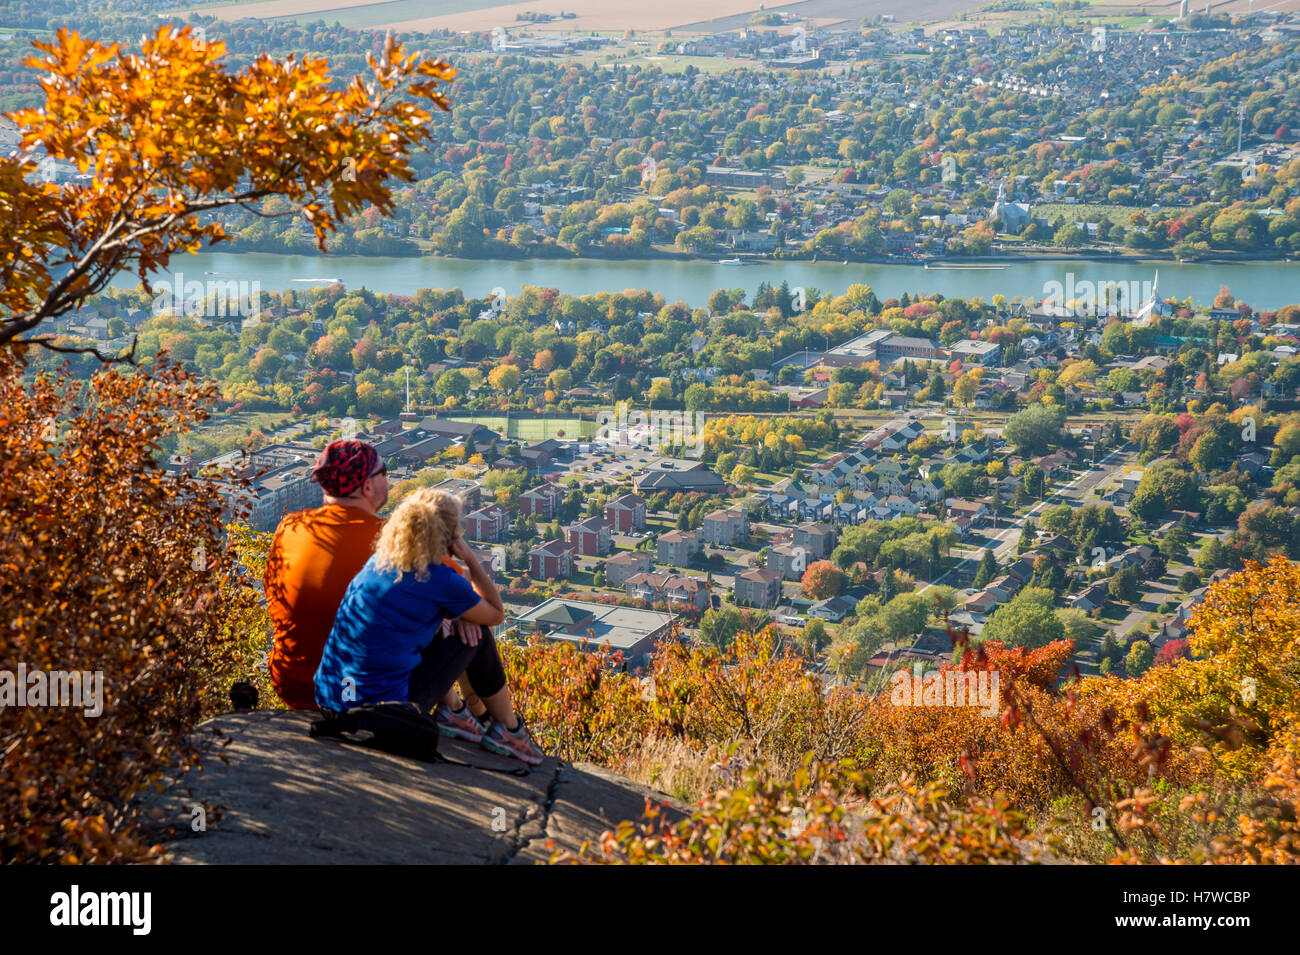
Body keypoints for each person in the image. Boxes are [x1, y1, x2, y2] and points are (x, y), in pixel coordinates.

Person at [312, 487, 543, 765]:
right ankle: (509, 729)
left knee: (434, 628)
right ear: (449, 536)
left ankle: (454, 712)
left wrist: (455, 615)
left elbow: (415, 609)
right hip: (384, 709)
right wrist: (469, 558)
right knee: (478, 633)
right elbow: (495, 614)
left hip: (333, 696)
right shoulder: (440, 580)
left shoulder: (378, 562)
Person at [263, 439, 388, 710]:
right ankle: (471, 723)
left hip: (291, 682)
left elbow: (274, 595)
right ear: (368, 486)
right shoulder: (394, 539)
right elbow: (476, 605)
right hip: (353, 691)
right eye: (384, 471)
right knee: (461, 623)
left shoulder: (291, 527)